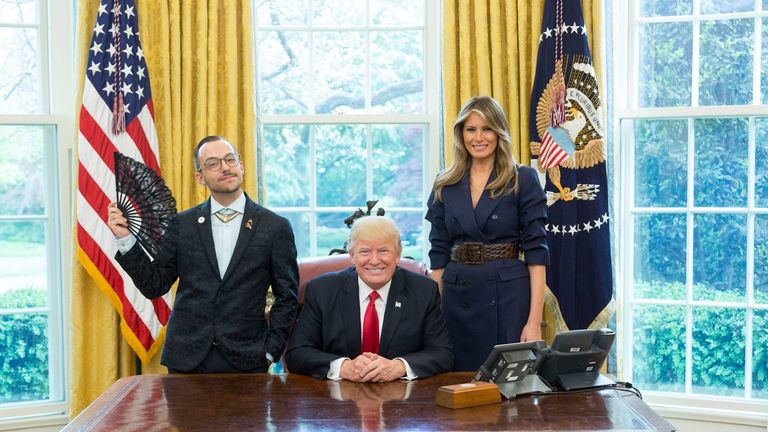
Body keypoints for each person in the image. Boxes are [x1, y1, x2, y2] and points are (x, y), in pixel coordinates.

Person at [107, 135, 298, 373]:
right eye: (213, 163)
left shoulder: (275, 227)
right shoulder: (182, 224)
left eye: (230, 159)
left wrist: (271, 351)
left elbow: (287, 297)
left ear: (241, 166)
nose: (225, 167)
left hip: (248, 358)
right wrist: (125, 239)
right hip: (186, 359)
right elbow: (155, 285)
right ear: (200, 177)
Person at [425, 96, 549, 372]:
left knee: (508, 384)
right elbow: (438, 258)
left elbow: (537, 256)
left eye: (487, 129)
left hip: (508, 296)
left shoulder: (522, 179)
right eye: (471, 129)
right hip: (457, 296)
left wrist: (534, 322)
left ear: (499, 132)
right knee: (455, 384)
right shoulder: (444, 183)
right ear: (461, 134)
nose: (478, 138)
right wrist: (430, 321)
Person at [285, 216, 453, 381]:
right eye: (365, 252)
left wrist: (399, 366)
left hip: (402, 393)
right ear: (352, 256)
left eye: (383, 251)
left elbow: (442, 353)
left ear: (397, 255)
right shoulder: (322, 290)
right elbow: (297, 353)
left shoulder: (424, 290)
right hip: (337, 394)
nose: (374, 261)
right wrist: (343, 367)